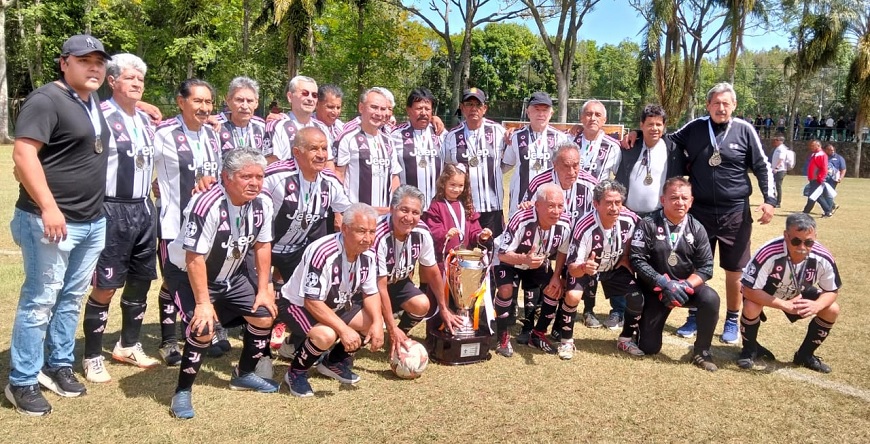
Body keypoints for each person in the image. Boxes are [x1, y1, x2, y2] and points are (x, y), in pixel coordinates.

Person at [5, 34, 111, 416]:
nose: (94, 67)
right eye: (85, 61)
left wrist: (142, 105)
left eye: (99, 62)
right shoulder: (46, 100)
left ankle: (58, 363)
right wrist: (49, 207)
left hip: (91, 221)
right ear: (64, 63)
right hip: (49, 221)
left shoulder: (91, 98)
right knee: (40, 301)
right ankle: (22, 381)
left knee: (70, 298)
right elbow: (23, 155)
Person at [165, 149, 278, 419]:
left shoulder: (263, 202)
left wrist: (264, 289)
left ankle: (244, 374)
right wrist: (203, 303)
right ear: (226, 178)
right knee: (203, 328)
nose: (255, 183)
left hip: (232, 273)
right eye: (246, 176)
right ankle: (182, 391)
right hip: (189, 274)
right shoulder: (207, 204)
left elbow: (263, 246)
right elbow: (194, 258)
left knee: (264, 315)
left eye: (259, 177)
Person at [664, 82, 776, 344]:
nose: (721, 108)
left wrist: (770, 200)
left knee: (735, 270)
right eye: (716, 103)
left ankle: (732, 320)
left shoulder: (745, 130)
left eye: (726, 103)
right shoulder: (694, 127)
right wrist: (636, 134)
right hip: (699, 212)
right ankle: (694, 315)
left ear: (734, 105)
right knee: (694, 265)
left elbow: (762, 165)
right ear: (708, 105)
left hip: (735, 212)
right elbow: (665, 139)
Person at [80, 53, 160, 384]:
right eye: (130, 77)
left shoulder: (146, 119)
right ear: (112, 81)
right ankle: (92, 355)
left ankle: (128, 344)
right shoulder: (99, 115)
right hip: (111, 208)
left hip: (144, 208)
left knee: (141, 282)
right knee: (106, 286)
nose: (137, 83)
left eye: (140, 78)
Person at [277, 203, 385, 397]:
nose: (368, 238)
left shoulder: (369, 253)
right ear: (344, 229)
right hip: (298, 305)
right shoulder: (323, 251)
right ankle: (295, 373)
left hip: (335, 304)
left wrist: (378, 323)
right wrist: (343, 330)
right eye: (361, 231)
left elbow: (371, 292)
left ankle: (332, 363)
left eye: (372, 232)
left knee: (371, 322)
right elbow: (311, 301)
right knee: (326, 335)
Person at [261, 127, 351, 355]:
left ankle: (294, 343)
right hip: (264, 246)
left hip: (298, 250)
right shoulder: (275, 175)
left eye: (324, 148)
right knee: (262, 299)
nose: (321, 154)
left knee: (311, 295)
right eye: (313, 149)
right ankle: (259, 352)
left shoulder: (330, 181)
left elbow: (349, 212)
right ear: (296, 152)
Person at [154, 79, 225, 361]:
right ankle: (168, 341)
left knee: (197, 278)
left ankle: (194, 332)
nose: (204, 107)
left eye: (208, 102)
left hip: (205, 224)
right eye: (198, 101)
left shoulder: (212, 134)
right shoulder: (163, 133)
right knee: (173, 281)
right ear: (181, 102)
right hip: (174, 223)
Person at [630, 178, 720, 371]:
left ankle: (702, 351)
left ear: (691, 201)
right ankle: (640, 328)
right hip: (656, 290)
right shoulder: (648, 223)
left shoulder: (697, 228)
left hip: (685, 288)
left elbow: (706, 267)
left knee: (711, 298)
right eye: (674, 198)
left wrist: (684, 286)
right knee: (649, 348)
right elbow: (637, 259)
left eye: (684, 198)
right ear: (663, 200)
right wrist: (663, 283)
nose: (680, 202)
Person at [520, 142, 605, 334]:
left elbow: (598, 217)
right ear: (554, 164)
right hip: (545, 240)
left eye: (576, 165)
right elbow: (527, 213)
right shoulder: (539, 182)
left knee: (569, 277)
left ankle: (559, 324)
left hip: (574, 243)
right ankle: (529, 323)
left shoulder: (592, 184)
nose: (572, 171)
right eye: (566, 166)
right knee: (534, 267)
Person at [738, 213, 841, 373]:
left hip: (798, 290)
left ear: (815, 237)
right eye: (796, 241)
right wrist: (784, 305)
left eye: (809, 242)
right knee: (751, 305)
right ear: (786, 236)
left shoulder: (823, 257)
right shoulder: (768, 252)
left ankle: (805, 355)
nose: (802, 247)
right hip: (767, 289)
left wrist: (817, 305)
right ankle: (750, 350)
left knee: (832, 309)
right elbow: (749, 290)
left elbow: (832, 291)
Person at [560, 180, 639, 360]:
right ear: (596, 204)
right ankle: (566, 341)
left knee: (637, 298)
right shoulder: (584, 226)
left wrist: (626, 255)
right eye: (609, 203)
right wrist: (584, 267)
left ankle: (626, 339)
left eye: (618, 202)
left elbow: (643, 234)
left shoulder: (631, 219)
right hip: (586, 269)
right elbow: (572, 268)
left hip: (614, 267)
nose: (614, 208)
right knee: (572, 296)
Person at [492, 184, 571, 357]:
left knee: (554, 290)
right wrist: (524, 259)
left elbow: (563, 251)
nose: (556, 211)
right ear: (537, 205)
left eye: (560, 206)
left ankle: (537, 334)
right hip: (508, 259)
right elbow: (502, 254)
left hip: (535, 261)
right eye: (551, 206)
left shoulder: (565, 222)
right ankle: (502, 336)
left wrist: (556, 276)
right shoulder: (521, 218)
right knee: (505, 290)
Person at [372, 186, 451, 356]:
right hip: (370, 290)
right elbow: (380, 286)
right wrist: (390, 327)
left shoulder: (422, 232)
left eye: (415, 212)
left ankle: (400, 334)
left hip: (398, 282)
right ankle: (340, 356)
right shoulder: (378, 235)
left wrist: (443, 308)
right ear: (392, 209)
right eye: (404, 210)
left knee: (422, 304)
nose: (409, 218)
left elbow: (432, 271)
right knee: (366, 325)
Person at [444, 88, 508, 238]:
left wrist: (495, 171)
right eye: (469, 104)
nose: (474, 108)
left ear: (485, 108)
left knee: (493, 248)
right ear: (462, 107)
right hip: (464, 206)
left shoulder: (499, 131)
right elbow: (449, 165)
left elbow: (507, 162)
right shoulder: (452, 136)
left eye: (478, 105)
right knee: (465, 248)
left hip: (492, 206)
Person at [335, 87, 402, 214]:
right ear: (361, 108)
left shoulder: (388, 141)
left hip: (385, 215)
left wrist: (396, 207)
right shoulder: (347, 138)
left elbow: (394, 177)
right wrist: (338, 213)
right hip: (356, 215)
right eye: (374, 107)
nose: (378, 113)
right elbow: (338, 176)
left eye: (382, 109)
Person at [503, 91, 568, 215]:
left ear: (551, 113)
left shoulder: (561, 139)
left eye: (545, 110)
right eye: (537, 109)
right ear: (528, 112)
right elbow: (506, 164)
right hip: (520, 203)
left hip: (550, 203)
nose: (541, 114)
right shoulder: (515, 137)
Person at [422, 163, 493, 273]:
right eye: (452, 184)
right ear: (443, 183)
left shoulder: (467, 206)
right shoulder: (437, 205)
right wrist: (446, 234)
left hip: (465, 260)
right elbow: (433, 230)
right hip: (444, 261)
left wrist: (481, 235)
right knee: (444, 284)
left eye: (460, 185)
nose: (456, 189)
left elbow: (474, 230)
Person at [617, 104, 682, 218]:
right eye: (650, 124)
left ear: (664, 126)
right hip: (628, 214)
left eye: (658, 124)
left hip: (659, 216)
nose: (654, 128)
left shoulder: (673, 151)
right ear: (642, 125)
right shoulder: (629, 147)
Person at [391, 88, 445, 211]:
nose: (424, 113)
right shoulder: (395, 135)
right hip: (407, 209)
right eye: (419, 108)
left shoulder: (441, 134)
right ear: (408, 110)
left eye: (427, 109)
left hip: (436, 208)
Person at [264, 75, 332, 164]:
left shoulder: (322, 128)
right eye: (305, 93)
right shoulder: (276, 126)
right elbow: (270, 164)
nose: (310, 99)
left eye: (314, 95)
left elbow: (329, 163)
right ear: (290, 97)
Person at [572, 99, 621, 181]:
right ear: (581, 118)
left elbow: (620, 178)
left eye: (598, 115)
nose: (593, 118)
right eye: (588, 114)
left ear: (604, 120)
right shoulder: (569, 140)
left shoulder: (613, 147)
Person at [216, 76, 267, 153]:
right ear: (228, 100)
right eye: (239, 100)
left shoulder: (262, 127)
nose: (245, 106)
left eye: (249, 101)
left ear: (256, 103)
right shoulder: (215, 125)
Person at [803, 140, 835, 217]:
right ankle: (827, 211)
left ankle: (806, 212)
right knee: (816, 196)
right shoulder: (815, 154)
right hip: (813, 179)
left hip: (817, 179)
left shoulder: (821, 155)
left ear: (818, 146)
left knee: (813, 195)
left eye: (813, 146)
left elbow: (824, 168)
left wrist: (821, 178)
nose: (811, 147)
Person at [769, 135, 795, 208]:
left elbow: (781, 159)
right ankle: (773, 199)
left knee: (778, 186)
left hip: (780, 170)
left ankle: (778, 202)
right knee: (772, 185)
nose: (775, 141)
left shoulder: (782, 149)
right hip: (775, 170)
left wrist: (777, 167)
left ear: (780, 141)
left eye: (776, 140)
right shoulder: (777, 148)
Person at [824, 144, 846, 211]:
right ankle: (833, 206)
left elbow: (843, 169)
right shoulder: (823, 157)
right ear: (826, 150)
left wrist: (840, 178)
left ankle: (829, 209)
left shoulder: (839, 158)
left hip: (833, 179)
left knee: (828, 193)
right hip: (823, 178)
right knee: (823, 193)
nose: (832, 151)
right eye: (830, 150)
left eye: (833, 150)